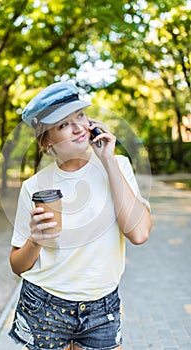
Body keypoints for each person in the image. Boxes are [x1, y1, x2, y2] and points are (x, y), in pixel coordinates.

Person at [8, 81, 152, 350]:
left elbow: (139, 233)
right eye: (63, 125)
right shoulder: (34, 187)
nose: (78, 128)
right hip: (45, 307)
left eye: (80, 116)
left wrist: (108, 160)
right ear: (46, 141)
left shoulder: (117, 165)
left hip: (103, 308)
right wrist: (35, 241)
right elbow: (17, 265)